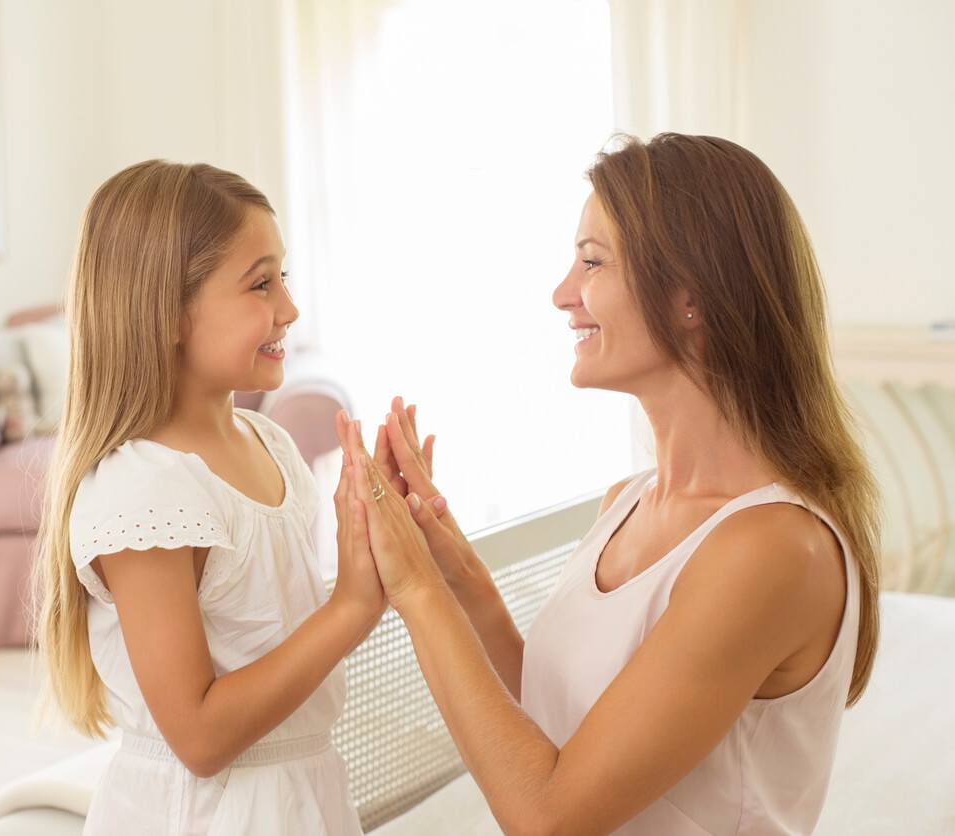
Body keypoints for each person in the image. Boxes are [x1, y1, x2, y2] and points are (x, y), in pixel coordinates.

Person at [339, 133, 881, 835]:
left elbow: (549, 815)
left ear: (689, 297)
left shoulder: (772, 549)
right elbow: (563, 722)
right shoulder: (625, 503)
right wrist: (450, 566)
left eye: (591, 262)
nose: (562, 294)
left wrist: (414, 588)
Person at [34, 160, 384, 835]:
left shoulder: (269, 444)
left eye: (283, 277)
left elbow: (282, 635)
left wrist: (371, 554)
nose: (289, 308)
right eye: (260, 283)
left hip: (302, 797)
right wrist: (350, 607)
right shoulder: (145, 491)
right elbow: (198, 738)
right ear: (166, 313)